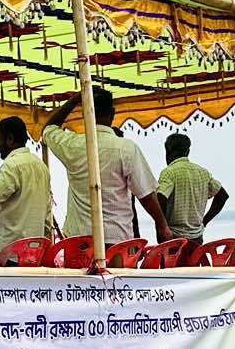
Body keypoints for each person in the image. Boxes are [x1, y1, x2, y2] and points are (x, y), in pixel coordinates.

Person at [39, 87, 154, 244]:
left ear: (85, 112)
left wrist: (76, 99)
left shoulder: (72, 145)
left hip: (78, 242)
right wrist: (162, 225)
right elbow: (146, 194)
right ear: (112, 114)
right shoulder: (126, 148)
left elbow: (48, 129)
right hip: (117, 240)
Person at [0, 117, 55, 256]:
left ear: (10, 139)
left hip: (8, 252)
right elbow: (47, 212)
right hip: (33, 251)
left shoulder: (11, 165)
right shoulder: (41, 166)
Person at [151, 132, 229, 243]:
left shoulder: (169, 173)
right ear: (187, 151)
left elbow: (160, 198)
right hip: (196, 238)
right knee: (193, 261)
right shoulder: (203, 172)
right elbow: (222, 196)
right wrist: (204, 222)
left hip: (173, 239)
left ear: (167, 151)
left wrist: (162, 228)